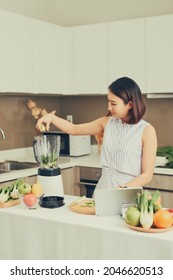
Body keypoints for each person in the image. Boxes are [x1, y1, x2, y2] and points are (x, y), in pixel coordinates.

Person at [36, 77, 157, 189]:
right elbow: (74, 129)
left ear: (130, 104)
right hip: (103, 189)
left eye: (113, 103)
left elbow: (147, 174)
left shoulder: (147, 131)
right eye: (108, 102)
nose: (109, 107)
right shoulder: (107, 122)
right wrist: (50, 117)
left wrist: (123, 189)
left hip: (128, 192)